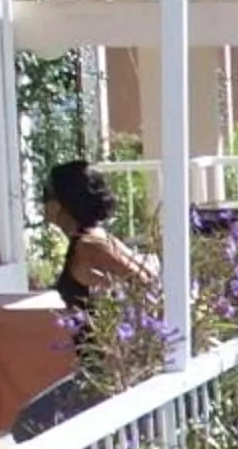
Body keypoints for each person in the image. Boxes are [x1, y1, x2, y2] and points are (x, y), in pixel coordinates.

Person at [10, 160, 158, 434]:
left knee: (28, 427)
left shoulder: (89, 245)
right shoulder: (94, 238)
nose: (43, 203)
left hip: (102, 371)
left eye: (47, 194)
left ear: (63, 202)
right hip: (96, 365)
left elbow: (146, 279)